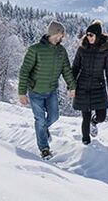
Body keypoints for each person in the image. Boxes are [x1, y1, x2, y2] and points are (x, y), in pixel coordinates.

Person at [18, 20, 76, 159]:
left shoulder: (61, 51)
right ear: (55, 33)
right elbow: (24, 70)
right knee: (40, 120)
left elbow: (66, 70)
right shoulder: (35, 49)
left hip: (51, 91)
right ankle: (44, 148)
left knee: (54, 116)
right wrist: (21, 92)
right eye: (61, 34)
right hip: (35, 92)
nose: (63, 37)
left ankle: (42, 131)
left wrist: (72, 86)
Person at [71, 20, 108, 145]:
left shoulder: (105, 50)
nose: (88, 37)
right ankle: (86, 143)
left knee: (101, 116)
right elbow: (75, 68)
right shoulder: (82, 49)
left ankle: (94, 122)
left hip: (98, 86)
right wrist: (71, 86)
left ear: (97, 35)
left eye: (91, 35)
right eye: (87, 35)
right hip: (83, 87)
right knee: (85, 116)